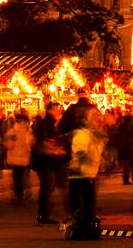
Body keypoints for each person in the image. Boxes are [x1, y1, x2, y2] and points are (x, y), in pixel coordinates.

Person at [65, 106, 101, 239]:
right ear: (85, 120)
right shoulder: (81, 134)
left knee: (89, 204)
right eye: (93, 116)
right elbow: (79, 151)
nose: (97, 118)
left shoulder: (92, 134)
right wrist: (84, 157)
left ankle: (88, 227)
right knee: (83, 204)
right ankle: (81, 227)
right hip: (80, 175)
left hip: (89, 174)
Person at [31, 100, 68, 224]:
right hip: (46, 162)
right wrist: (56, 150)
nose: (59, 112)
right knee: (47, 188)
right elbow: (44, 143)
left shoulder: (50, 124)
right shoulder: (46, 124)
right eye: (56, 110)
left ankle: (45, 214)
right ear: (50, 111)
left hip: (48, 161)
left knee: (49, 188)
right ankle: (44, 214)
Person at [3, 107, 33, 203]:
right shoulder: (29, 131)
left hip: (14, 158)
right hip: (25, 157)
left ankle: (19, 193)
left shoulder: (12, 131)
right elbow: (31, 144)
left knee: (17, 177)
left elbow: (8, 145)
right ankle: (25, 193)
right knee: (24, 176)